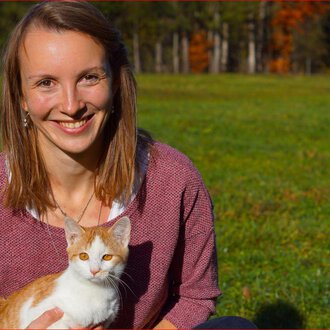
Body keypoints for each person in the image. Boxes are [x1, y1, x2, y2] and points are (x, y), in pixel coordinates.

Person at [0, 2, 256, 329]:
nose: (71, 104)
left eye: (89, 77)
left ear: (117, 82)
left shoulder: (172, 180)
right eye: (46, 83)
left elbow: (196, 296)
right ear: (20, 95)